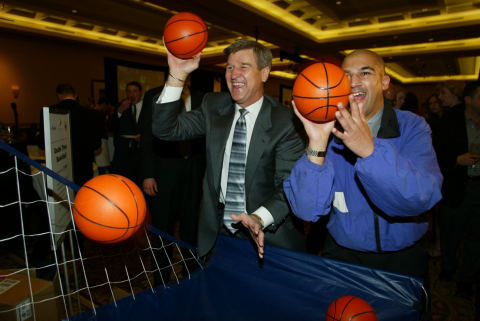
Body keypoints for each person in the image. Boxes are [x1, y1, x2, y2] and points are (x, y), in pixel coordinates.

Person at [284, 50, 442, 315]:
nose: (354, 81)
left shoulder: (413, 126)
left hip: (400, 260)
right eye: (346, 76)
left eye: (365, 73)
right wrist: (317, 143)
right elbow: (306, 209)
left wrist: (369, 151)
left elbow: (421, 198)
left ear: (384, 82)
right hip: (344, 257)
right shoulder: (329, 129)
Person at [152, 39, 307, 259]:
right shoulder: (213, 106)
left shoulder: (286, 122)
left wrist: (259, 218)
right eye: (229, 67)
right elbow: (165, 130)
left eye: (244, 67)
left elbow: (290, 186)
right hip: (220, 231)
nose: (234, 74)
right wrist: (177, 74)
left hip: (269, 234)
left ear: (264, 73)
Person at [140, 78, 207, 284]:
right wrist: (147, 173)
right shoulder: (155, 95)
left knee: (191, 226)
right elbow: (146, 136)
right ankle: (161, 278)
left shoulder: (202, 97)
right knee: (162, 228)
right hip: (163, 171)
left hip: (194, 169)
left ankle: (191, 274)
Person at [433, 81, 480, 298]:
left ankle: (467, 278)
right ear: (468, 99)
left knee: (476, 236)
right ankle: (448, 267)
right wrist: (456, 160)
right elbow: (434, 155)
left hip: (478, 187)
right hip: (456, 185)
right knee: (451, 232)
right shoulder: (450, 120)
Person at [38, 84, 101, 187]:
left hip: (59, 167)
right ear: (75, 95)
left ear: (58, 95)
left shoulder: (48, 112)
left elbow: (42, 144)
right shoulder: (90, 114)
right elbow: (96, 144)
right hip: (83, 167)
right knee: (81, 198)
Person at [107, 81, 145, 186]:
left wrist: (145, 138)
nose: (131, 95)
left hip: (142, 155)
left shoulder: (148, 107)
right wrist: (119, 111)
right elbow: (110, 127)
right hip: (125, 156)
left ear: (141, 92)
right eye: (129, 91)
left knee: (142, 188)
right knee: (125, 187)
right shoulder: (121, 106)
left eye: (135, 91)